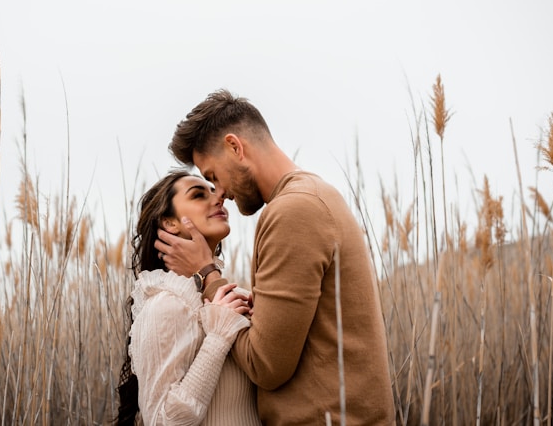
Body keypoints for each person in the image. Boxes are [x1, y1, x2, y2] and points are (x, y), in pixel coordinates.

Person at [155, 90, 396, 425]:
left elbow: (265, 366)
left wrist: (208, 275)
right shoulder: (313, 195)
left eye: (212, 176)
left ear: (235, 147)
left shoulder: (293, 211)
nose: (220, 193)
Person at [115, 169, 262, 426]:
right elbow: (163, 421)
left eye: (214, 191)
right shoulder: (166, 305)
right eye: (198, 195)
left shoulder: (223, 297)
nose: (219, 198)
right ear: (170, 223)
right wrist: (218, 337)